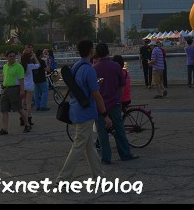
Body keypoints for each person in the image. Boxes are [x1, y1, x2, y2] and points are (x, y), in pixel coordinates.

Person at [57, 40, 111, 182]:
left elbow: (79, 87)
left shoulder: (76, 67)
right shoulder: (89, 69)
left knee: (89, 146)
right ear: (91, 52)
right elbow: (97, 96)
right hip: (85, 113)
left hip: (75, 110)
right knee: (78, 146)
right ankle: (63, 178)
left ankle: (98, 175)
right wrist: (105, 115)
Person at [93, 43, 138, 164]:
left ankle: (106, 158)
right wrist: (118, 98)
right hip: (114, 103)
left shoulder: (94, 68)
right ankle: (125, 154)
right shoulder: (116, 66)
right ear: (108, 52)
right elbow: (122, 85)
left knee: (102, 134)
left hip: (100, 106)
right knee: (119, 130)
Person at [0, 50, 31, 135]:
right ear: (7, 57)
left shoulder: (18, 67)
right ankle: (5, 129)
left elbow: (21, 79)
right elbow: (4, 76)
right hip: (6, 89)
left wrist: (22, 90)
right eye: (10, 56)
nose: (12, 58)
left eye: (13, 56)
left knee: (19, 108)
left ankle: (27, 124)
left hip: (15, 89)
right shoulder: (5, 66)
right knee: (4, 109)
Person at [20, 51, 40, 126]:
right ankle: (29, 117)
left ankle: (22, 118)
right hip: (30, 86)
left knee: (23, 102)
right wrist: (34, 57)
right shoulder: (30, 66)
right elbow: (38, 65)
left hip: (22, 86)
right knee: (28, 103)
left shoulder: (20, 66)